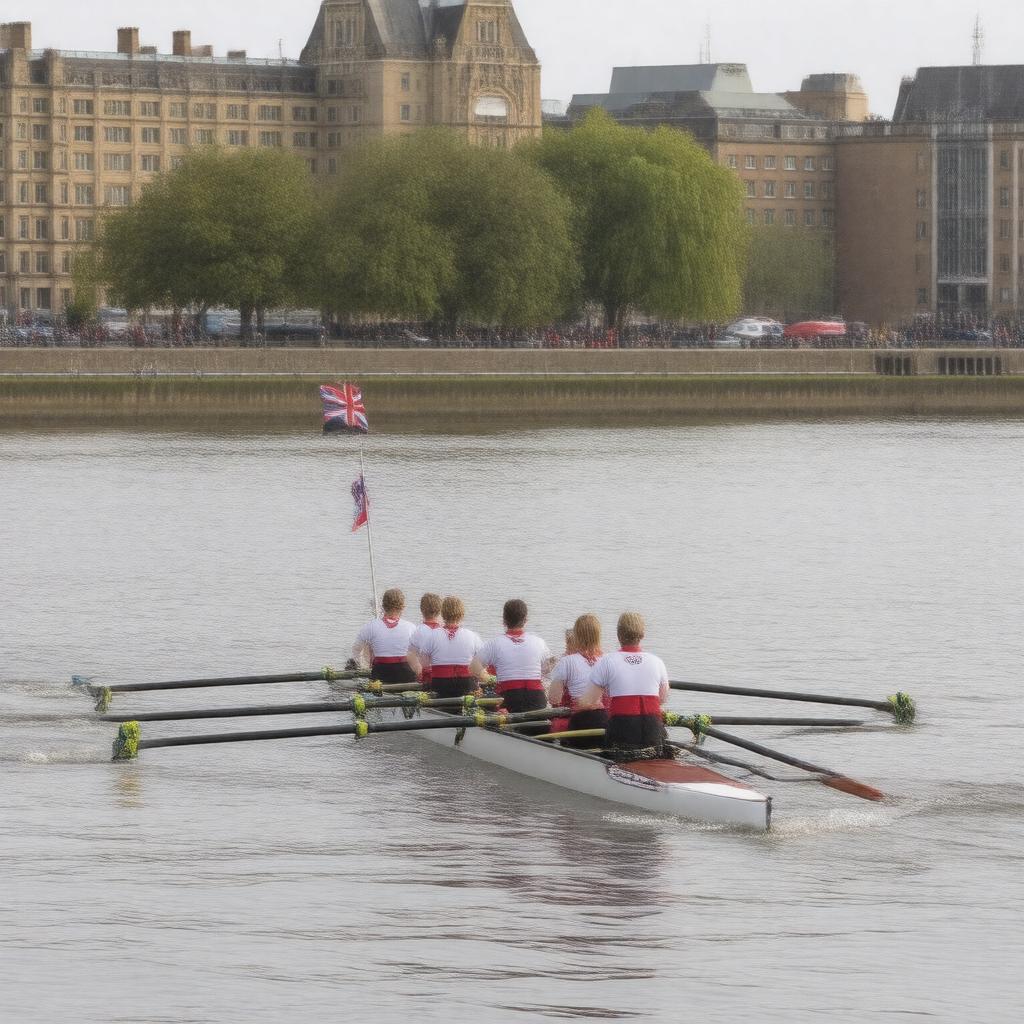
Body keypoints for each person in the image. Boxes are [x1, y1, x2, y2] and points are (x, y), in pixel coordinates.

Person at [585, 612, 669, 758]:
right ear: (642, 635)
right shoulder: (657, 661)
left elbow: (588, 701)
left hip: (623, 731)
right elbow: (662, 699)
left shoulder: (607, 661)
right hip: (653, 730)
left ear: (618, 634)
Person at [480, 599, 555, 714]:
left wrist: (491, 679)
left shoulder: (494, 643)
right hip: (537, 700)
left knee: (483, 702)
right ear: (526, 620)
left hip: (508, 700)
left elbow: (473, 669)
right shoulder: (539, 642)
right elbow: (548, 671)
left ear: (504, 620)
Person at [548, 614, 609, 749]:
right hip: (605, 721)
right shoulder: (609, 660)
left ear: (577, 635)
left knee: (555, 725)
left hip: (580, 722)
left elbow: (553, 699)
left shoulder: (567, 661)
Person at [410, 596, 486, 700]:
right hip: (466, 686)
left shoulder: (432, 636)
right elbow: (482, 664)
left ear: (442, 613)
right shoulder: (472, 636)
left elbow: (424, 665)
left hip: (440, 686)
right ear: (462, 614)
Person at [351, 588, 418, 686]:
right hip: (406, 677)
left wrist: (362, 666)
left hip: (380, 676)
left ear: (383, 606)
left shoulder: (370, 626)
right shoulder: (411, 627)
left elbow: (356, 650)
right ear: (402, 607)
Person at [408, 593, 443, 687]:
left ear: (421, 610)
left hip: (427, 676)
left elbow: (410, 657)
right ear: (440, 611)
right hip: (442, 674)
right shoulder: (445, 631)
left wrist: (419, 672)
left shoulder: (417, 631)